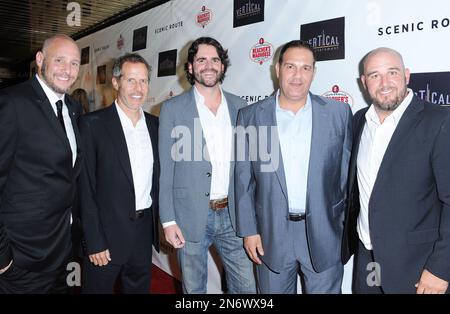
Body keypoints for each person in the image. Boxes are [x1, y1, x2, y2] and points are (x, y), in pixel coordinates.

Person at [235, 40, 352, 293]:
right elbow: (243, 180)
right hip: (270, 235)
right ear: (277, 69)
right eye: (290, 66)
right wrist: (249, 231)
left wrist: (339, 226)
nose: (297, 76)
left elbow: (345, 177)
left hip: (325, 233)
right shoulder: (251, 116)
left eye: (305, 68)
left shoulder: (338, 113)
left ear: (313, 72)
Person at [342, 47, 450, 294]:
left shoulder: (439, 120)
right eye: (375, 75)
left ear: (407, 75)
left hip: (417, 266)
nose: (385, 83)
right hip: (368, 260)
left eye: (392, 72)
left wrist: (441, 269)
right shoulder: (359, 120)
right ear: (364, 82)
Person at [159, 37, 256, 294]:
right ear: (191, 67)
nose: (209, 65)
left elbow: (247, 169)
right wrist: (168, 221)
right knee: (194, 290)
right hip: (189, 216)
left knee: (247, 288)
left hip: (233, 215)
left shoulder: (240, 106)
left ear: (222, 66)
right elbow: (166, 170)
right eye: (201, 60)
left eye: (215, 59)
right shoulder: (172, 109)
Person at [0, 34, 82, 293]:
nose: (67, 71)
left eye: (74, 63)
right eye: (59, 60)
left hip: (64, 251)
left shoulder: (73, 108)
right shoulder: (12, 103)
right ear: (40, 59)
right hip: (22, 257)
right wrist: (3, 256)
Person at [79, 53, 160, 294]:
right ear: (115, 83)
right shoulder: (92, 124)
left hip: (143, 234)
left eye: (144, 81)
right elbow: (86, 188)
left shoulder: (156, 125)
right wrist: (94, 241)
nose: (138, 88)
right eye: (131, 80)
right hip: (105, 236)